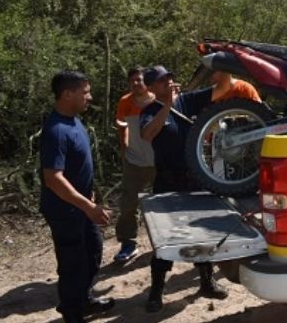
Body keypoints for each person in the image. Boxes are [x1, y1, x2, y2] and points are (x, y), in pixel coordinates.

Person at [139, 65, 228, 312]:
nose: (168, 81)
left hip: (195, 179)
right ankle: (156, 291)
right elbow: (147, 134)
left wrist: (222, 61)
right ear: (151, 87)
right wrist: (167, 105)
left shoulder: (189, 100)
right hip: (168, 182)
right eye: (162, 80)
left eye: (169, 77)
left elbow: (223, 87)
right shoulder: (149, 111)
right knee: (165, 238)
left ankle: (207, 282)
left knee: (202, 232)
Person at [40, 70, 114, 323]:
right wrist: (88, 206)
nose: (90, 97)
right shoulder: (56, 130)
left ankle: (84, 300)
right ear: (67, 94)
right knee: (73, 264)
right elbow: (53, 178)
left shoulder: (74, 120)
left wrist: (88, 198)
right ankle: (72, 313)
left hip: (81, 206)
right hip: (65, 211)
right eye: (85, 92)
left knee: (93, 251)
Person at [113, 67, 156, 262]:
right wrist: (125, 152)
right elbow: (122, 127)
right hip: (134, 161)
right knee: (128, 204)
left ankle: (166, 241)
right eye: (132, 80)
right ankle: (128, 243)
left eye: (139, 79)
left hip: (158, 161)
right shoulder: (125, 102)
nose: (136, 83)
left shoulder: (158, 100)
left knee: (164, 202)